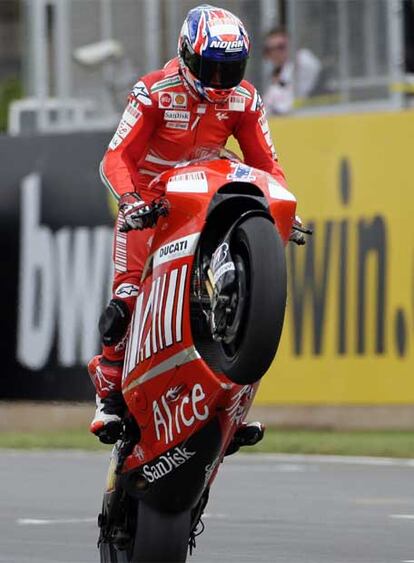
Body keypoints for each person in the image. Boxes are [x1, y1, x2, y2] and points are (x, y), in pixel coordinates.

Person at [88, 4, 288, 444]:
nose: (219, 82)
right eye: (209, 69)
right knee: (125, 299)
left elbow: (267, 166)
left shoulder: (246, 99)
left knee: (250, 290)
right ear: (185, 55)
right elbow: (115, 158)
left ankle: (227, 403)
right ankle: (109, 399)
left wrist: (282, 213)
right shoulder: (153, 92)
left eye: (229, 69)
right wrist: (132, 200)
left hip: (204, 202)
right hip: (152, 205)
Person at [263, 27, 321, 115]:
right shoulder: (269, 78)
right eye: (270, 49)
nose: (275, 52)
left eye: (280, 47)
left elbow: (312, 65)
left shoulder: (302, 61)